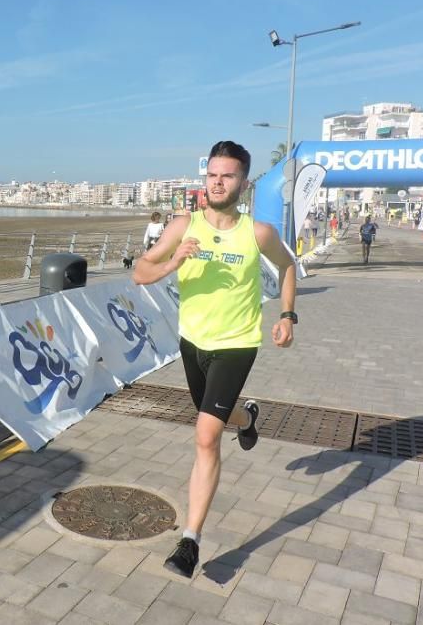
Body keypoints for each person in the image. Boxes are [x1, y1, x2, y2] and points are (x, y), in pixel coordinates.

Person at [133, 140, 297, 579]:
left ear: (243, 183)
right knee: (216, 422)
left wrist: (287, 314)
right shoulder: (183, 226)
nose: (217, 182)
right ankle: (247, 419)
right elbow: (140, 271)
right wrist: (173, 263)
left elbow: (287, 267)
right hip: (192, 343)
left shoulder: (257, 233)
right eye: (212, 175)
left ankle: (190, 541)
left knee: (205, 436)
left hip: (237, 343)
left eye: (227, 176)